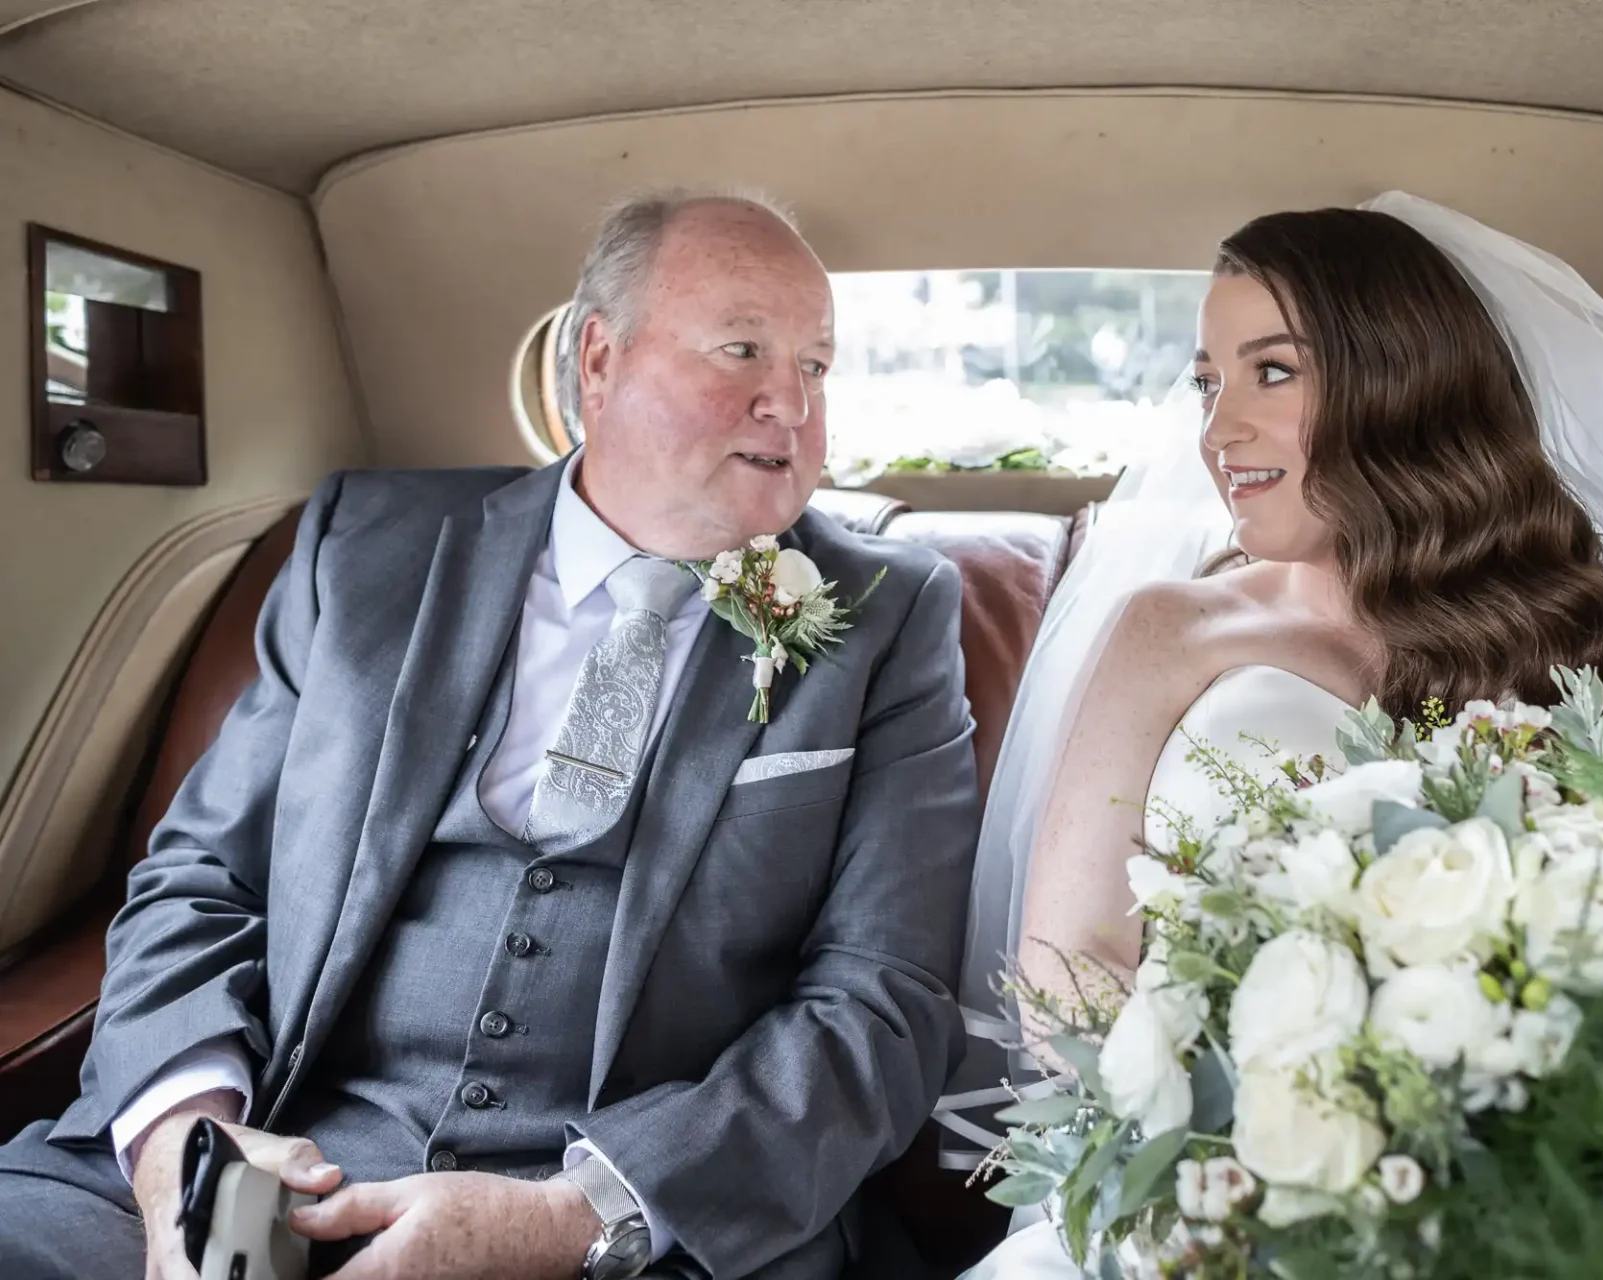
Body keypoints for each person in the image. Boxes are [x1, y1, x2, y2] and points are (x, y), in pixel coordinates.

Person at [0, 190, 981, 1280]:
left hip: (634, 1221)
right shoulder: (363, 547)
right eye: (743, 349)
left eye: (816, 366)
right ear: (598, 361)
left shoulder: (889, 613)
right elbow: (199, 876)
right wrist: (190, 1147)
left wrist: (570, 1215)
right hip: (271, 1152)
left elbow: (882, 1006)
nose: (790, 408)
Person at [940, 192, 1603, 1277]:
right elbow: (1068, 970)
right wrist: (1248, 1144)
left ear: (1402, 382)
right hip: (1230, 1186)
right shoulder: (1169, 628)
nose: (1220, 430)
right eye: (1208, 382)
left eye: (1272, 372)